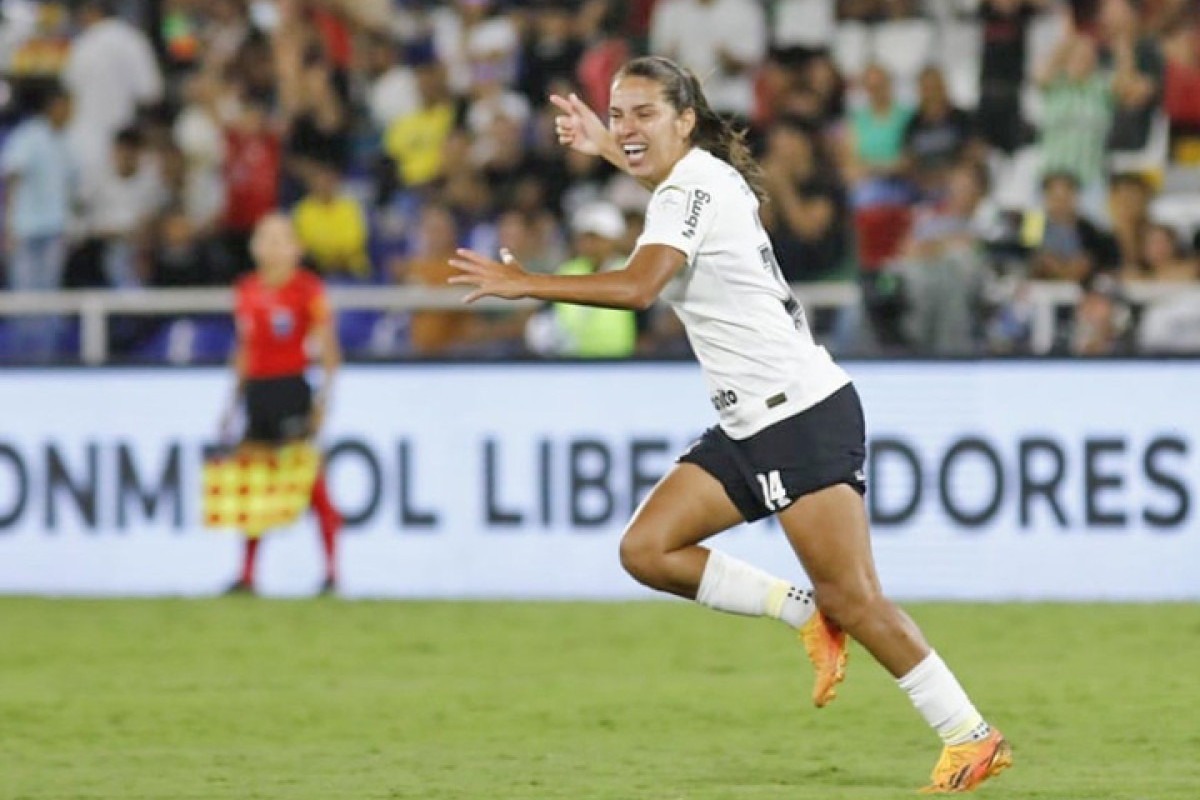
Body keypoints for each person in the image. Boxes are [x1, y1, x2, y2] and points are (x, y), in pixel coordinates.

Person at [448, 55, 1011, 793]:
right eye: (618, 113)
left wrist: (529, 283)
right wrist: (609, 149)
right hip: (751, 421)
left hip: (797, 415)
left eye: (642, 113)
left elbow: (640, 286)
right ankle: (803, 612)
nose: (628, 127)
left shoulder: (691, 186)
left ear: (685, 119)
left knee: (858, 598)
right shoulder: (698, 178)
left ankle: (971, 736)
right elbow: (664, 194)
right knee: (648, 549)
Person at [223, 213, 343, 595]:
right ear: (254, 247)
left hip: (292, 389)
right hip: (258, 393)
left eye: (281, 239)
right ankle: (247, 575)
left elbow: (328, 351)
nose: (273, 247)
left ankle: (331, 572)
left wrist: (323, 400)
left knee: (308, 482)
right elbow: (245, 349)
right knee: (253, 485)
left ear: (296, 249)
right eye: (266, 239)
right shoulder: (245, 290)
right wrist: (231, 403)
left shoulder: (308, 289)